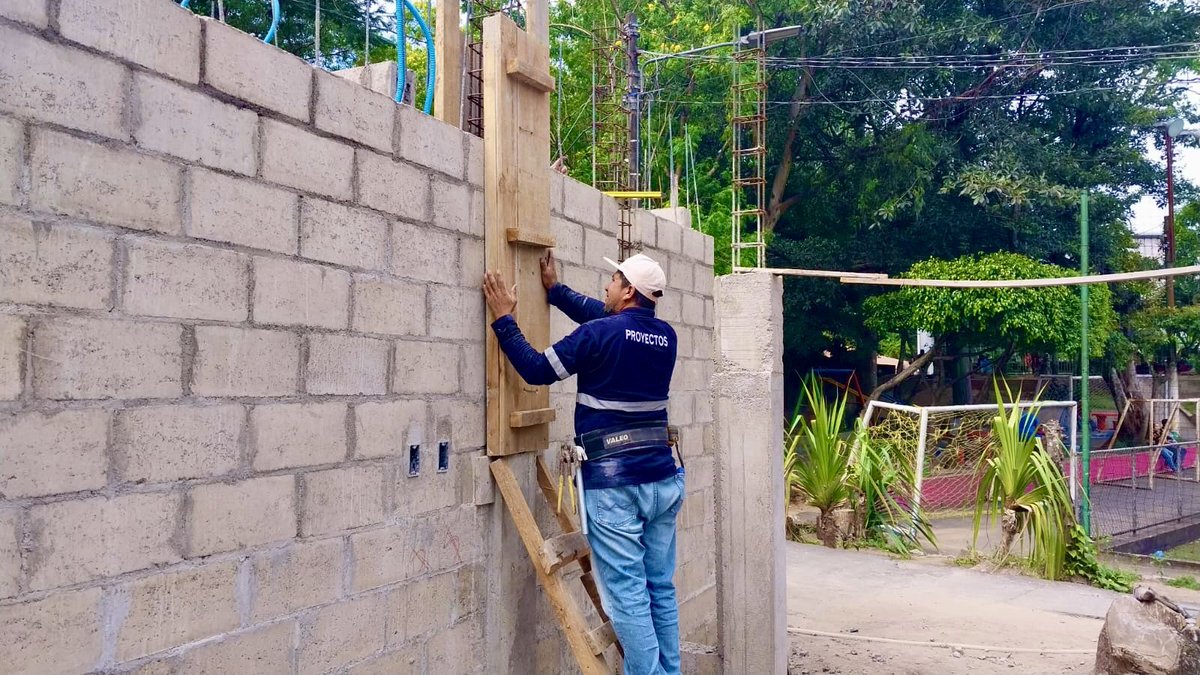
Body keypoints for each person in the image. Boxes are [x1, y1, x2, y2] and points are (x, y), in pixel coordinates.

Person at [482, 250, 683, 675]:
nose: (606, 286)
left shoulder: (598, 335)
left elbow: (537, 370)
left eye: (613, 280)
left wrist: (503, 319)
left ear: (628, 291)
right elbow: (608, 321)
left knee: (628, 595)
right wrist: (556, 292)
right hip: (662, 481)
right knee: (659, 589)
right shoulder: (666, 336)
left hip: (616, 486)